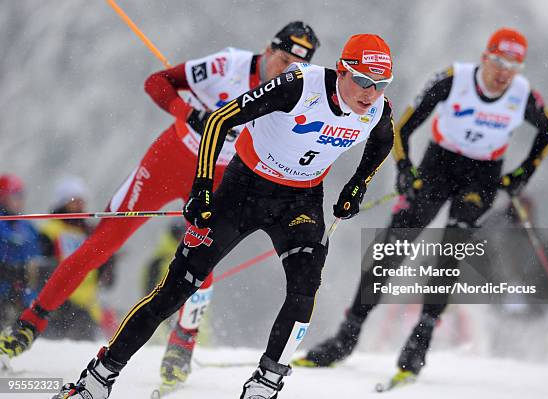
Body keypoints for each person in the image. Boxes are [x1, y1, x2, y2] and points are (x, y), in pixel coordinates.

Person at [52, 33, 396, 399]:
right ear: (342, 71)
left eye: (380, 85)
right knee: (176, 289)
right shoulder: (299, 85)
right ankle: (96, 379)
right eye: (362, 81)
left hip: (301, 201)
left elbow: (382, 141)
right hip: (243, 190)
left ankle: (265, 386)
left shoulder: (377, 110)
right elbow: (218, 121)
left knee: (305, 286)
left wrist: (357, 186)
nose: (370, 93)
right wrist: (201, 188)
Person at [0, 21, 319, 391]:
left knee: (203, 253)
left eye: (296, 67)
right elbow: (157, 82)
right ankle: (28, 324)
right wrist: (188, 113)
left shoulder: (298, 91)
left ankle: (182, 343)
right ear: (268, 50)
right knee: (104, 242)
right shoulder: (227, 66)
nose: (285, 71)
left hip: (219, 175)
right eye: (281, 60)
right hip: (172, 159)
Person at [294, 27, 548, 390]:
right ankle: (346, 336)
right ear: (485, 57)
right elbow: (403, 126)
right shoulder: (454, 80)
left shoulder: (523, 95)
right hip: (439, 167)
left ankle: (420, 343)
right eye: (498, 61)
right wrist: (405, 170)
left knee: (451, 253)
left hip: (482, 177)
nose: (503, 72)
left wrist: (521, 175)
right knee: (393, 247)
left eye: (513, 65)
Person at [37, 177, 117, 341]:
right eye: (74, 201)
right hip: (60, 303)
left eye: (82, 201)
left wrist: (108, 263)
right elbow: (43, 268)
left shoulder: (89, 232)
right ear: (62, 202)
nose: (80, 206)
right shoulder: (51, 230)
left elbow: (104, 277)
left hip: (88, 307)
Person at [0, 174, 42, 332]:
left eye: (21, 195)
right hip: (4, 291)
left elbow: (37, 254)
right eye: (14, 196)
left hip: (24, 293)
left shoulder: (27, 225)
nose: (19, 200)